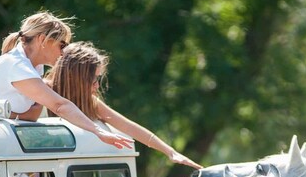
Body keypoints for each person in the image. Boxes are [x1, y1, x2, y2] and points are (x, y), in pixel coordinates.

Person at [0, 12, 131, 150]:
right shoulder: (18, 67)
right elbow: (59, 105)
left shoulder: (32, 68)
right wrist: (98, 131)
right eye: (62, 45)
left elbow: (32, 115)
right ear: (42, 40)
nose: (64, 53)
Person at [48, 41, 201, 169]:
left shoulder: (91, 102)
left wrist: (170, 152)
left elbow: (128, 126)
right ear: (76, 77)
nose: (96, 86)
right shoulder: (41, 92)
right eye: (93, 79)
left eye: (98, 79)